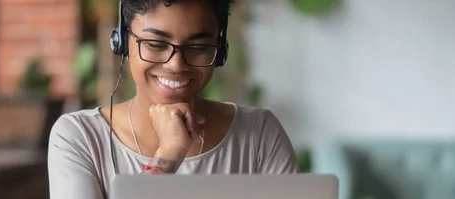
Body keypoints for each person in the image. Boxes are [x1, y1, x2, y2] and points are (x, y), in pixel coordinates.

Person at [47, 0, 298, 198]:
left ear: (220, 51)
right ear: (122, 43)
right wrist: (168, 154)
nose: (176, 65)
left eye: (198, 47)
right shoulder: (80, 137)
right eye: (156, 44)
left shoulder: (259, 134)